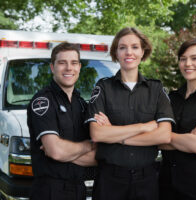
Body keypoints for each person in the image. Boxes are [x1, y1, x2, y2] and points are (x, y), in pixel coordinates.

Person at [85, 27, 175, 200]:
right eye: (122, 47)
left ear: (143, 52)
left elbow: (164, 135)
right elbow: (97, 133)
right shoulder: (103, 88)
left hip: (147, 180)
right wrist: (143, 127)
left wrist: (116, 134)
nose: (129, 52)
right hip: (109, 181)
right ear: (116, 53)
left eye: (135, 47)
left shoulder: (156, 89)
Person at [27, 42, 96, 200]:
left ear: (79, 67)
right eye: (62, 63)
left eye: (73, 63)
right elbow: (55, 151)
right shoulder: (43, 101)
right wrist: (88, 145)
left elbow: (98, 157)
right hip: (50, 191)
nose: (68, 68)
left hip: (80, 189)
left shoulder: (82, 105)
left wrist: (64, 152)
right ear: (52, 67)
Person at [159, 38, 196, 200]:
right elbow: (156, 140)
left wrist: (164, 135)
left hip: (195, 188)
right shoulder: (171, 99)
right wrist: (187, 139)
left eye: (195, 58)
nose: (188, 63)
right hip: (165, 185)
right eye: (183, 59)